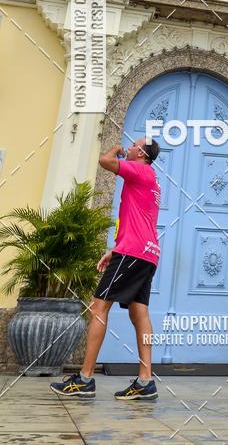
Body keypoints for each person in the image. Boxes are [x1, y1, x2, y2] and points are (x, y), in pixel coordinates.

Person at [50, 137, 161, 401]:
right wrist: (115, 250)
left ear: (141, 153)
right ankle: (146, 381)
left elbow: (105, 161)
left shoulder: (139, 170)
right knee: (139, 314)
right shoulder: (152, 180)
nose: (129, 148)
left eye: (133, 146)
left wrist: (116, 149)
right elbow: (140, 221)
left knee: (98, 308)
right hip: (147, 253)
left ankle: (85, 379)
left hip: (132, 253)